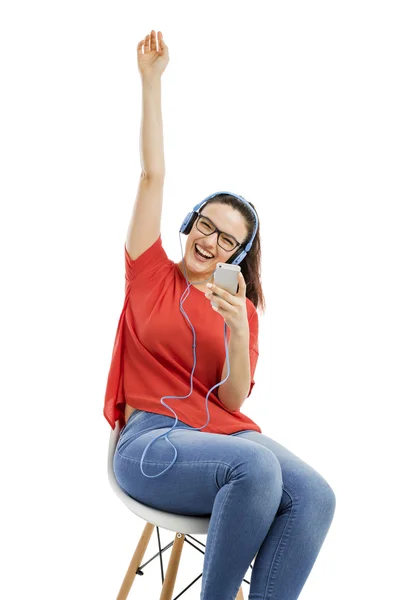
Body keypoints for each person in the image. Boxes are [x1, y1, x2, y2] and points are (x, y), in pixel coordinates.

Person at [111, 30, 336, 600]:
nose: (212, 242)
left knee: (315, 495)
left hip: (219, 432)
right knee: (255, 471)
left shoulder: (242, 309)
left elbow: (232, 402)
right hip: (151, 441)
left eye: (228, 241)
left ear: (238, 256)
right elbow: (151, 176)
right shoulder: (150, 273)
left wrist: (238, 329)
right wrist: (152, 82)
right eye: (206, 225)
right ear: (189, 224)